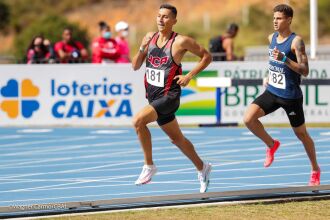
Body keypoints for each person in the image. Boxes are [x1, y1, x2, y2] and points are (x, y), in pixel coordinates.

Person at [132, 4, 212, 193]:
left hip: (169, 96)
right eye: (159, 16)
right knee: (177, 139)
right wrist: (142, 46)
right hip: (153, 97)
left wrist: (189, 75)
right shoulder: (149, 38)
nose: (161, 19)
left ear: (174, 21)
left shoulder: (180, 41)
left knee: (138, 121)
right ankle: (203, 167)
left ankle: (149, 166)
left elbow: (206, 56)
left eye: (166, 17)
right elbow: (135, 66)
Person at [243, 4, 321, 186]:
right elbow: (273, 61)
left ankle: (315, 169)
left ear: (289, 20)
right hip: (272, 91)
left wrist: (285, 60)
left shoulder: (296, 42)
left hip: (290, 96)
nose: (275, 22)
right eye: (274, 18)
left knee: (301, 135)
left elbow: (305, 71)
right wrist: (268, 75)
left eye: (279, 18)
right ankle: (272, 144)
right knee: (248, 119)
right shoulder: (271, 37)